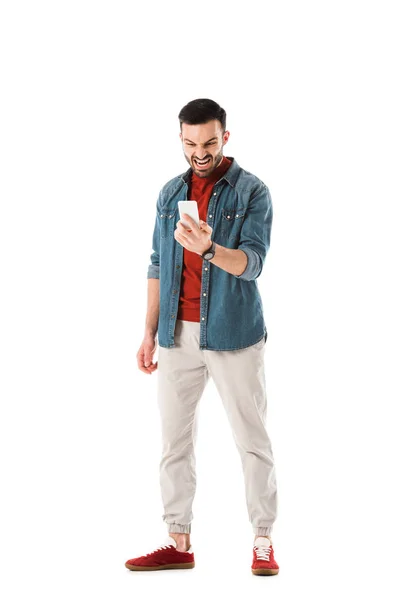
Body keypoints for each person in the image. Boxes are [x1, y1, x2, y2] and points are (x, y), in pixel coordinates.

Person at [125, 99, 279, 576]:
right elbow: (156, 264)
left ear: (225, 138)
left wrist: (210, 248)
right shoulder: (171, 193)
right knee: (174, 442)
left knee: (251, 441)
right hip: (176, 334)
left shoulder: (252, 191)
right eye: (191, 143)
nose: (200, 152)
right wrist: (149, 332)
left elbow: (252, 264)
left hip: (234, 335)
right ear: (181, 139)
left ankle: (263, 541)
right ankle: (178, 540)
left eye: (209, 142)